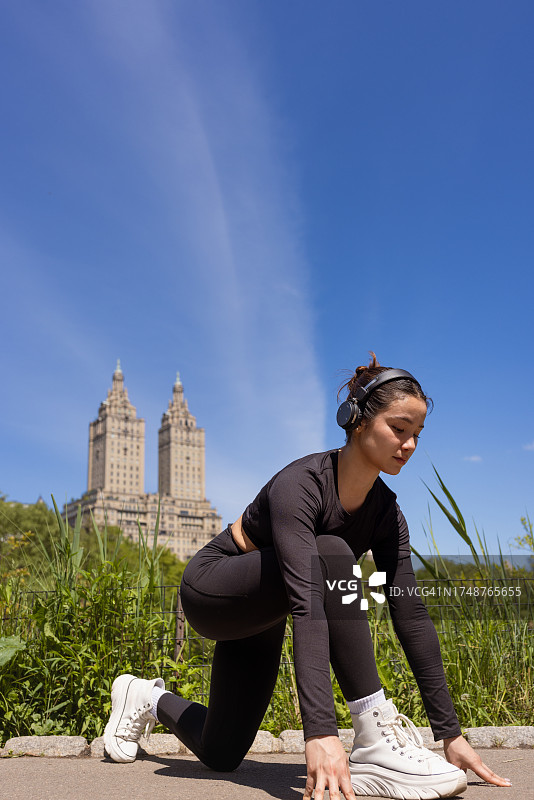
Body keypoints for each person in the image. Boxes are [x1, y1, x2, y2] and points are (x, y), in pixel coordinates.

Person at [104, 354, 512, 799]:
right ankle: (373, 736)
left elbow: (410, 615)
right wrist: (320, 732)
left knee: (221, 752)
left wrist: (449, 734)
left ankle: (144, 696)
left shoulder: (387, 513)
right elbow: (308, 605)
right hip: (215, 589)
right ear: (357, 420)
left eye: (416, 434)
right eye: (398, 429)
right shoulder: (302, 484)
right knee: (332, 549)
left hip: (266, 609)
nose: (409, 444)